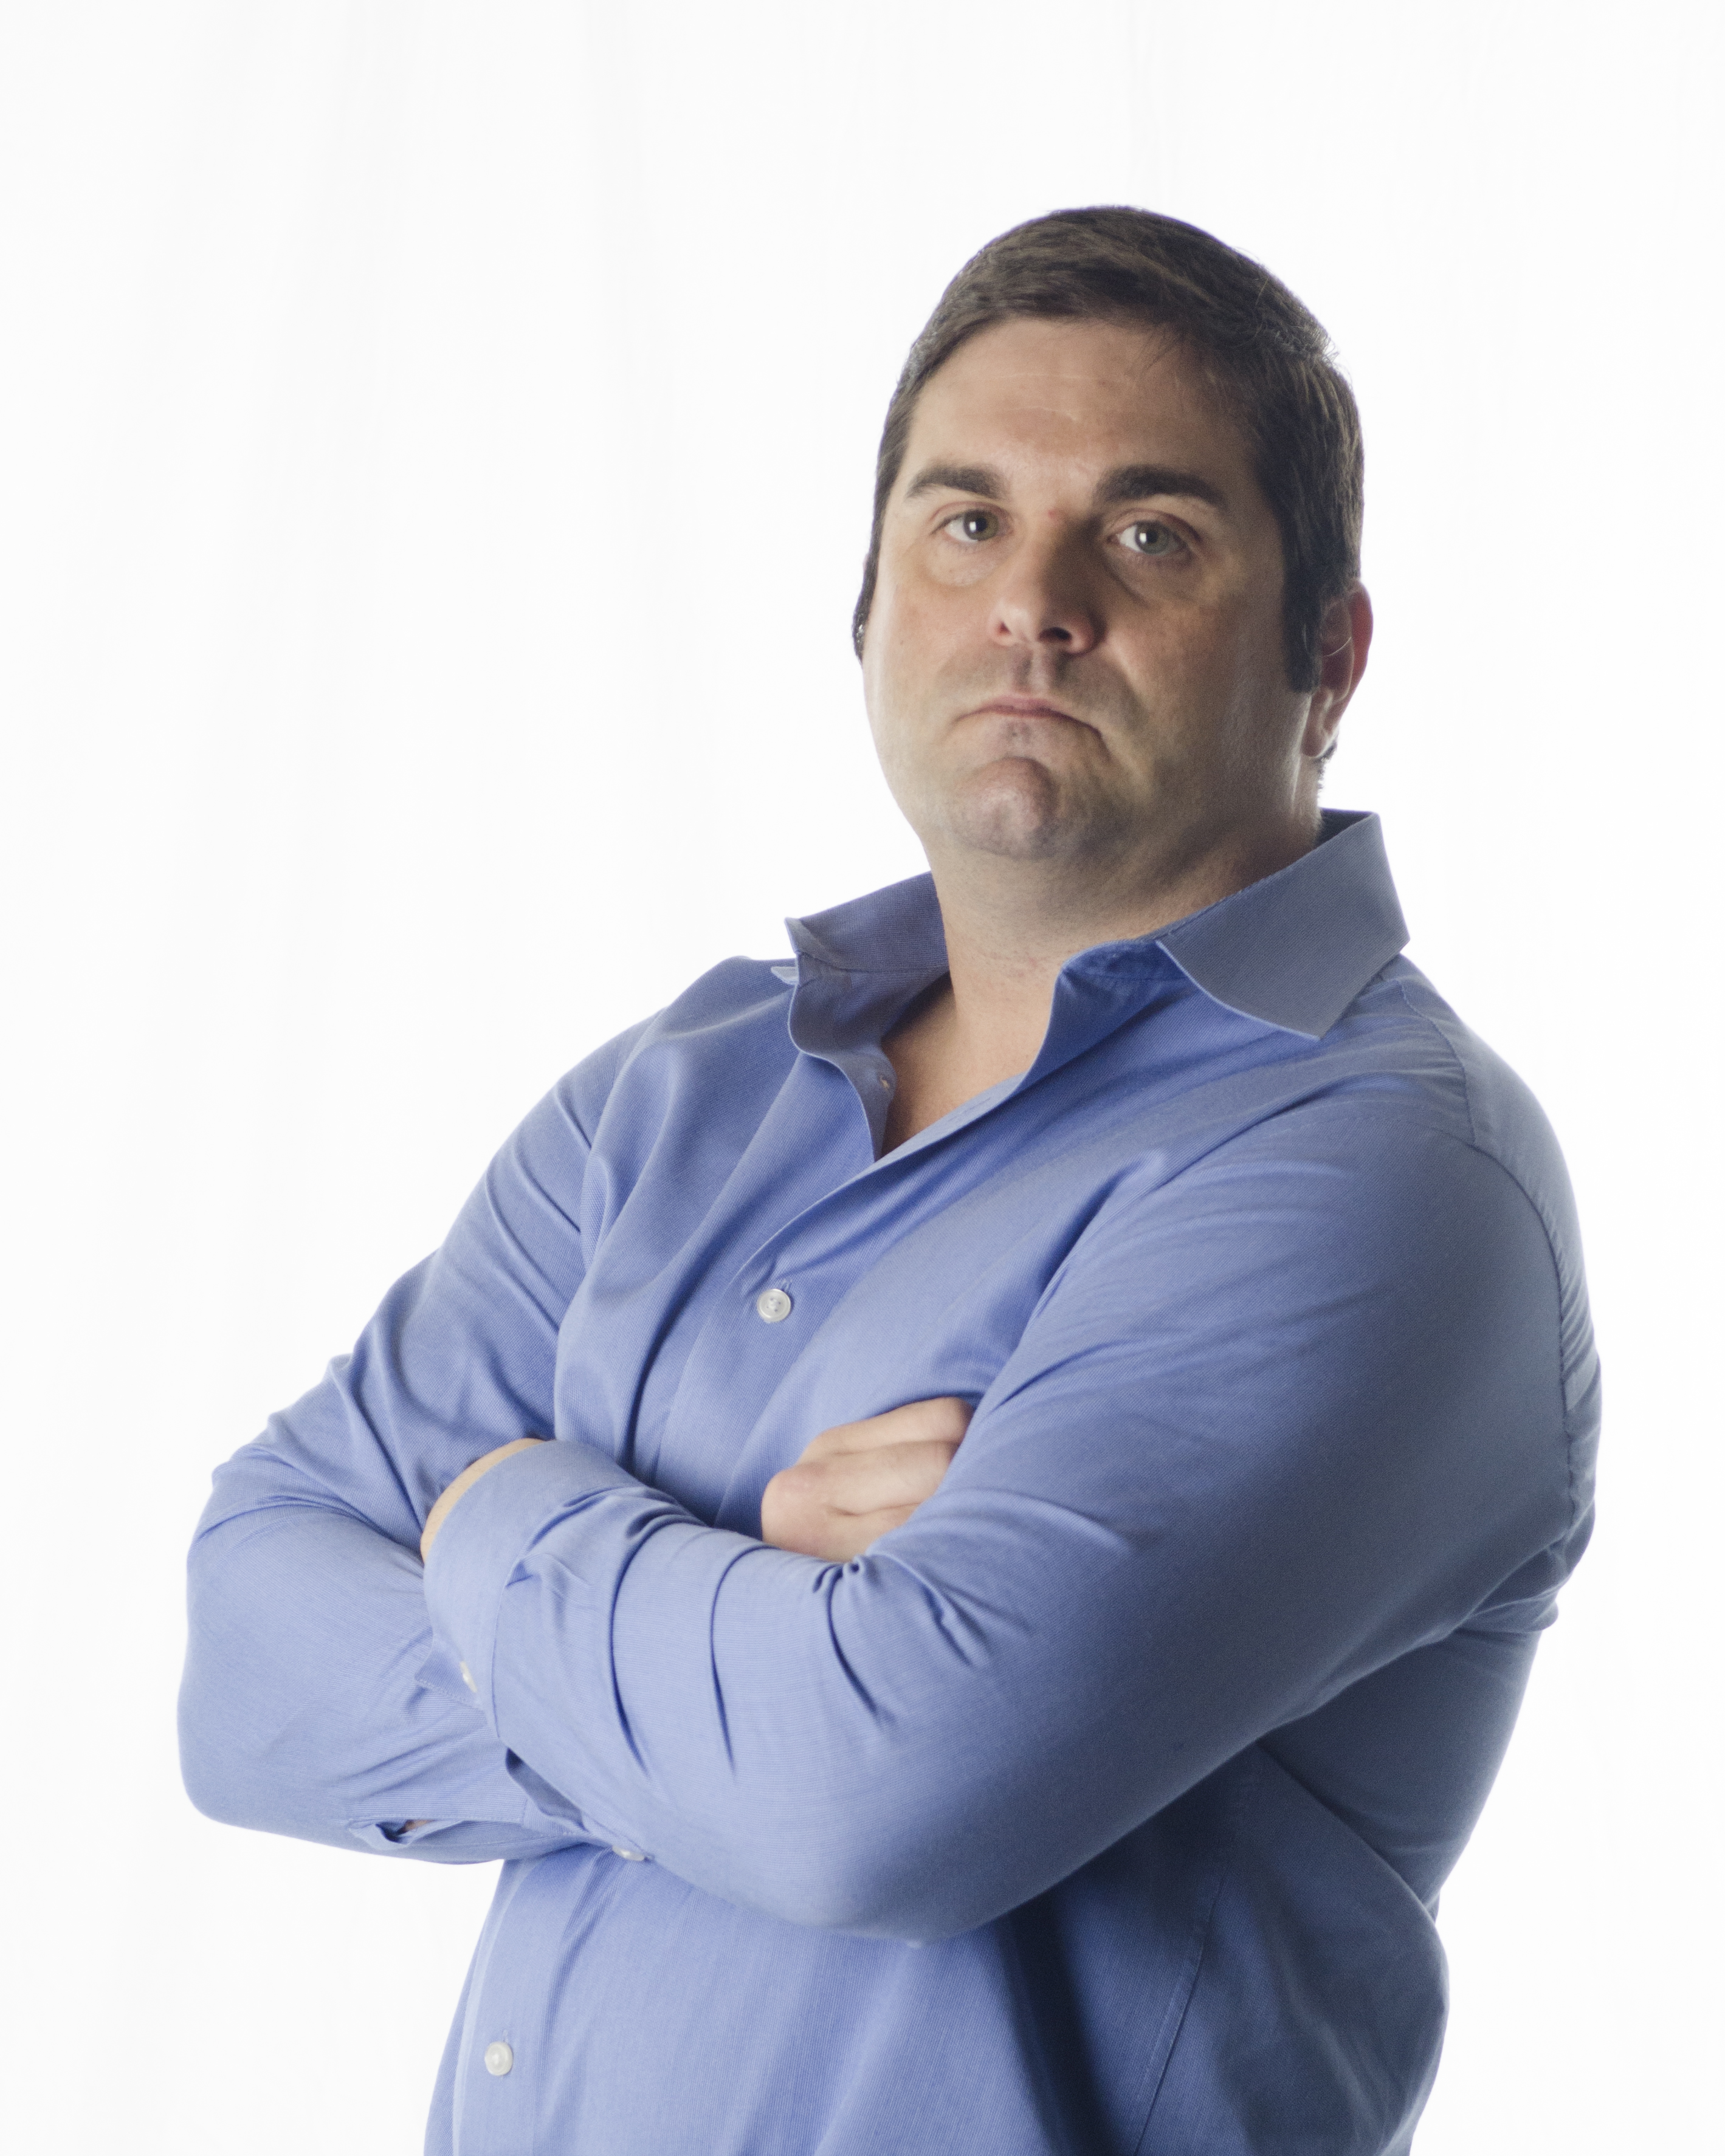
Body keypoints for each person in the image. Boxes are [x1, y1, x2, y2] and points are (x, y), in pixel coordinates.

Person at [179, 207, 1599, 2156]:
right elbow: (245, 1663)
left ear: (1327, 658)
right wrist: (736, 1585)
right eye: (967, 521)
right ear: (869, 607)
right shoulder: (681, 1094)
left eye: (1151, 534)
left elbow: (865, 1797)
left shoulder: (1387, 1178)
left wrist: (504, 1513)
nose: (1035, 603)